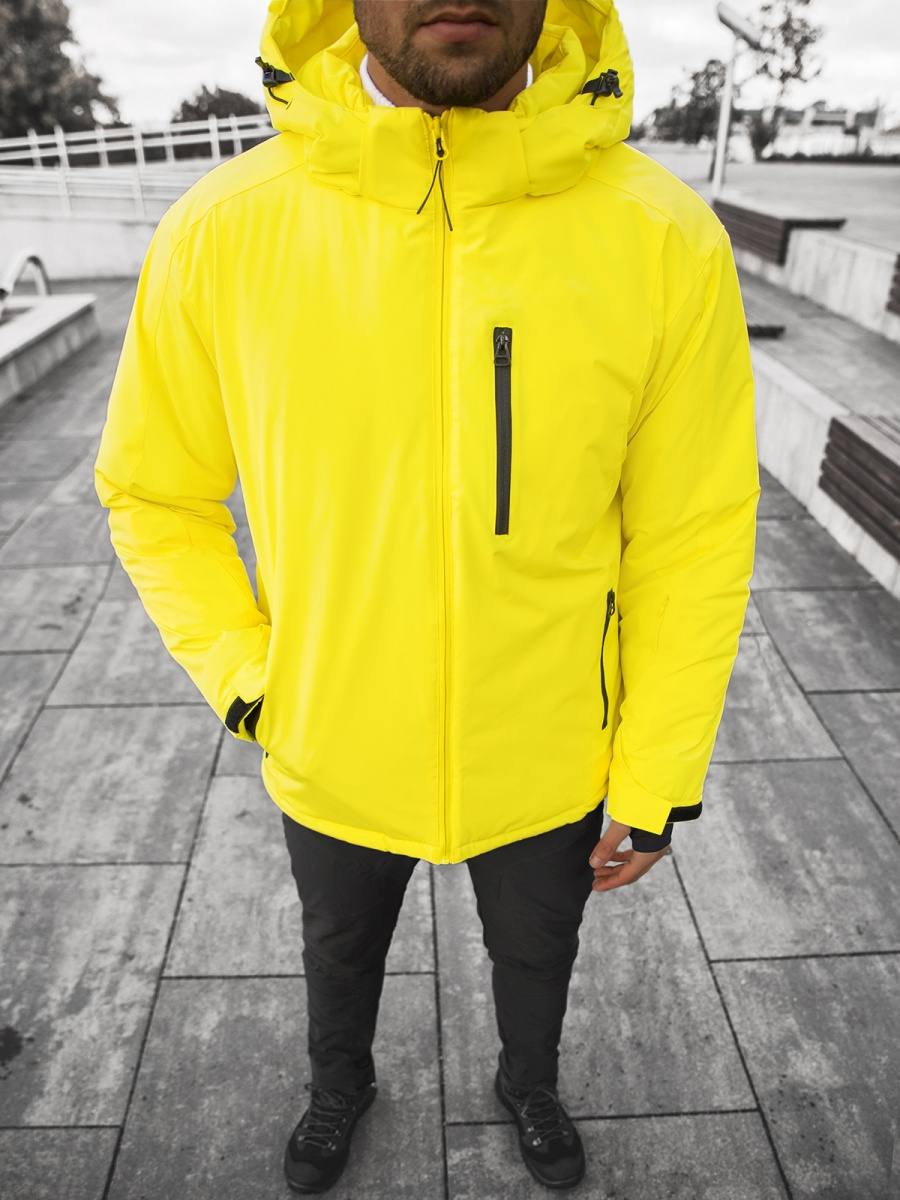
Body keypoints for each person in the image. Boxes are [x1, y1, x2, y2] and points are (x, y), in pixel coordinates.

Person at [95, 0, 759, 1192]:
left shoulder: (661, 236)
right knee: (338, 952)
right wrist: (251, 679)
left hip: (552, 745)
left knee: (538, 957)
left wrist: (657, 768)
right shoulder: (224, 228)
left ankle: (529, 1080)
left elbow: (692, 533)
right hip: (333, 736)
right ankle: (337, 1083)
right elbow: (153, 492)